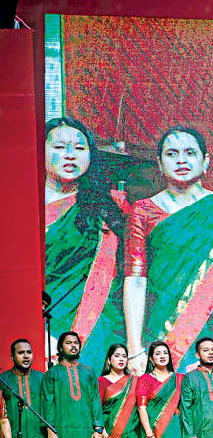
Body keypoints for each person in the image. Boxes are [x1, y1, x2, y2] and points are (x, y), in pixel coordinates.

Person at [124, 126, 213, 372]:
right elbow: (136, 279)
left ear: (206, 161)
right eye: (171, 154)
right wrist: (134, 347)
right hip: (166, 325)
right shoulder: (142, 211)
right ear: (160, 164)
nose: (181, 160)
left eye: (190, 153)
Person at [44, 117, 129, 366]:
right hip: (31, 326)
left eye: (80, 148)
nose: (70, 154)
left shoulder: (109, 208)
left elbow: (120, 279)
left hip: (94, 331)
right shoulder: (16, 205)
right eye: (59, 147)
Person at [40, 332, 104, 438]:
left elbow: (95, 400)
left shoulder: (89, 372)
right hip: (62, 433)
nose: (73, 346)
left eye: (76, 343)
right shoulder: (52, 373)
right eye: (68, 343)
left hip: (86, 432)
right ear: (60, 348)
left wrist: (99, 429)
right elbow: (48, 404)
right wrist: (50, 431)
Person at [136, 340, 186, 438]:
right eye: (158, 354)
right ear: (151, 359)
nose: (162, 356)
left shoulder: (179, 379)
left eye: (165, 353)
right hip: (152, 429)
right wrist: (149, 433)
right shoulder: (145, 379)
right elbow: (141, 408)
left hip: (173, 428)